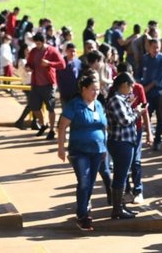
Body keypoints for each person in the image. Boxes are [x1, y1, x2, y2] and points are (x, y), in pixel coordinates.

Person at [57, 73, 107, 231]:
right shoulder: (74, 105)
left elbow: (104, 127)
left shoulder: (98, 105)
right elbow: (62, 126)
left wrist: (104, 147)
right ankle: (82, 214)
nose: (96, 93)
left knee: (91, 182)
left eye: (98, 90)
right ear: (84, 89)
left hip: (97, 150)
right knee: (84, 180)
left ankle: (85, 206)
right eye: (93, 89)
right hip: (79, 150)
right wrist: (61, 147)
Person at [105, 72, 145, 219]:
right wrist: (137, 112)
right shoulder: (116, 100)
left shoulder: (120, 99)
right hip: (120, 142)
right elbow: (125, 121)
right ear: (123, 85)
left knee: (121, 175)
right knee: (120, 176)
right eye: (130, 86)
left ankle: (120, 206)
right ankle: (117, 208)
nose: (132, 89)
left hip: (124, 142)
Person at [26, 32, 66, 140]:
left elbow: (62, 64)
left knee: (50, 108)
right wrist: (28, 67)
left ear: (43, 42)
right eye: (36, 44)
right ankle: (43, 124)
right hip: (36, 84)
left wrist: (49, 63)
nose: (37, 46)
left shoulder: (52, 50)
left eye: (39, 44)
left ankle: (52, 129)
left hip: (48, 84)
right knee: (34, 107)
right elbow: (29, 63)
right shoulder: (34, 51)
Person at [140, 38, 162, 151]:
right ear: (149, 47)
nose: (156, 49)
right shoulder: (144, 58)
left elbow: (159, 79)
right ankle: (148, 136)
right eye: (154, 47)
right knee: (147, 115)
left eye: (158, 47)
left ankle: (157, 140)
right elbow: (139, 73)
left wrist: (145, 89)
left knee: (160, 118)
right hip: (147, 92)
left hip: (158, 92)